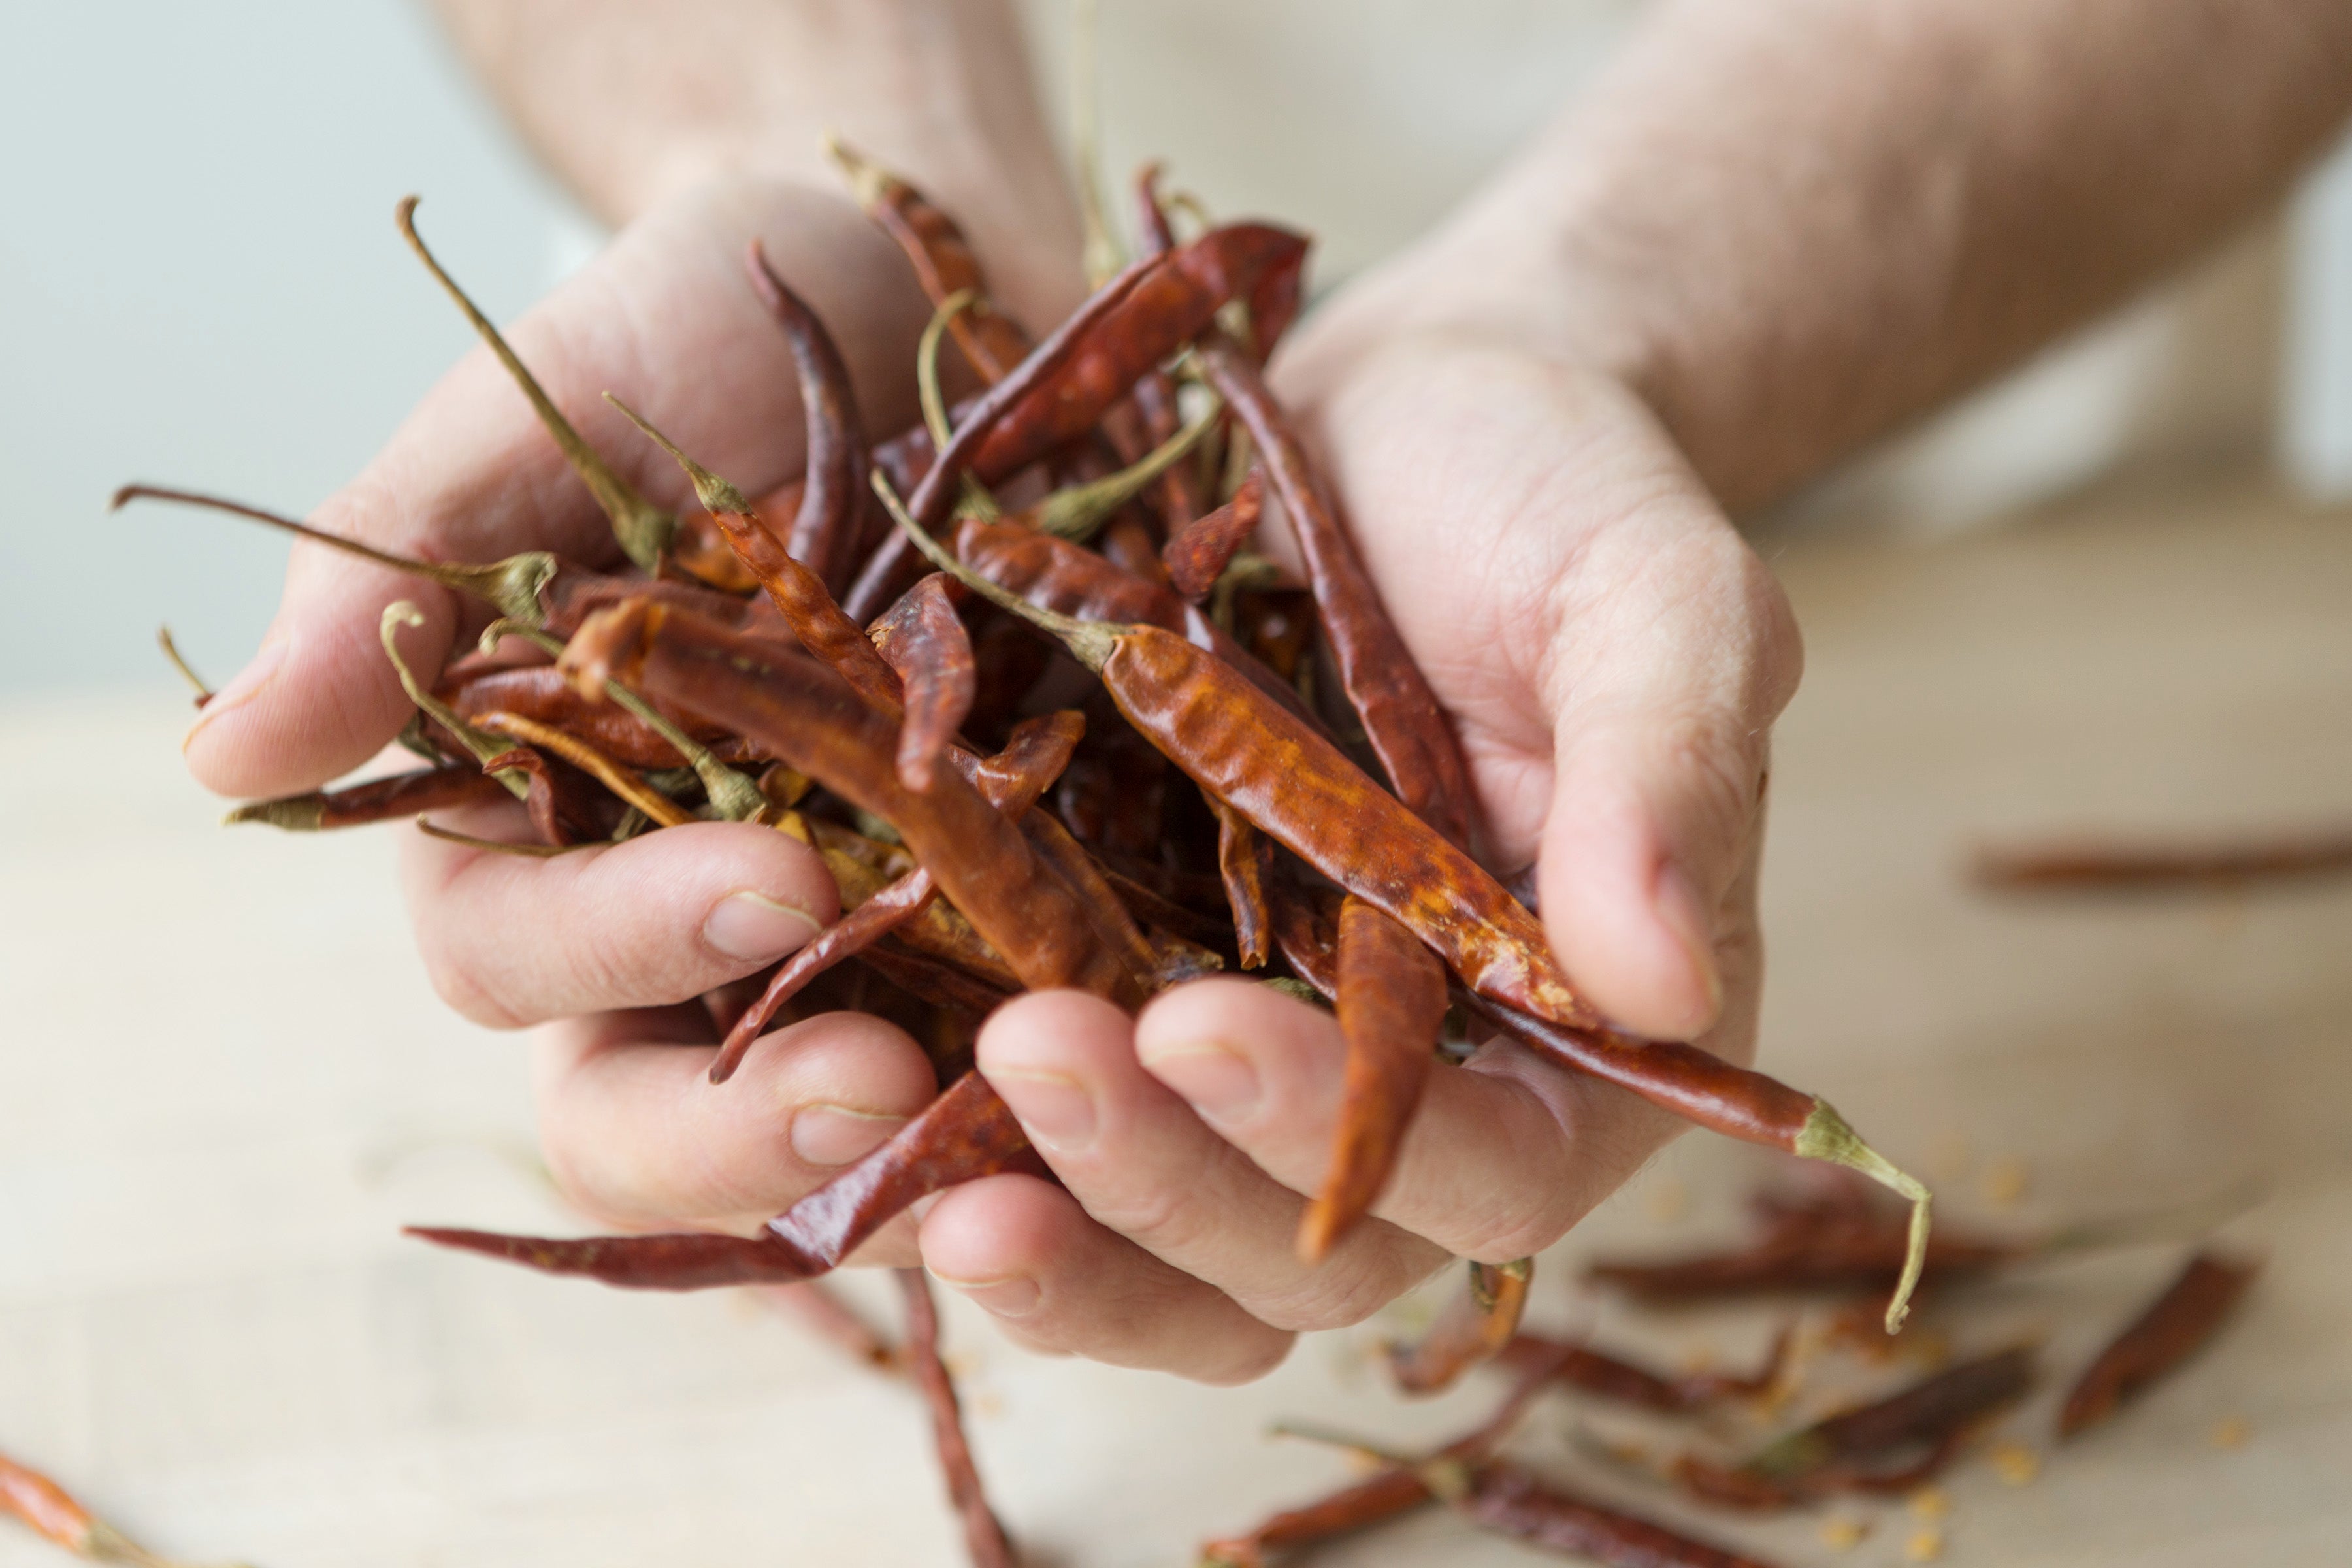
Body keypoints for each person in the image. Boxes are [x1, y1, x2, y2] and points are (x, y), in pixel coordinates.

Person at [181, 0, 2352, 1384]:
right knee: (896, 966)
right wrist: (833, 128)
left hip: (2046, 489)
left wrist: (1591, 316)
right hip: (836, 436)